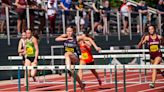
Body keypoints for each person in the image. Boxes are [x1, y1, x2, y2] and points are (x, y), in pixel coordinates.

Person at [55, 26, 101, 91]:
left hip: (75, 56)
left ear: (73, 31)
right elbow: (56, 39)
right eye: (67, 31)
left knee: (67, 54)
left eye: (70, 31)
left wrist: (96, 47)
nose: (69, 32)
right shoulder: (65, 37)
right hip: (69, 59)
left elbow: (89, 39)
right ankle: (81, 84)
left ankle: (67, 68)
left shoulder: (77, 38)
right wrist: (66, 38)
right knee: (72, 72)